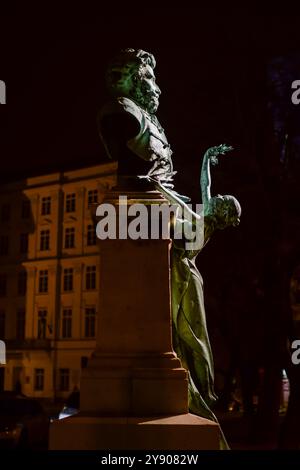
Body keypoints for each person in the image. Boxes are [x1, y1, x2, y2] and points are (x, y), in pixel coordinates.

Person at [152, 144, 241, 450]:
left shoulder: (204, 224)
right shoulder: (205, 217)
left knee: (189, 337)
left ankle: (197, 390)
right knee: (183, 337)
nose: (216, 198)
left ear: (222, 213)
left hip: (184, 279)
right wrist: (205, 158)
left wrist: (159, 189)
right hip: (180, 273)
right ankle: (192, 388)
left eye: (222, 201)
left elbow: (182, 205)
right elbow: (205, 185)